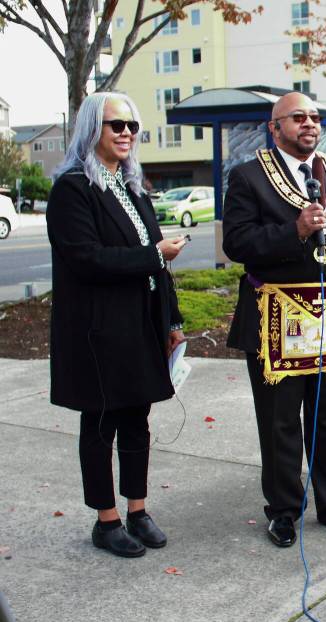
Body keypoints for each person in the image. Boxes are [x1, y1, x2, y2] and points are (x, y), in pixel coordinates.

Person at [223, 91, 326, 548]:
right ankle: (283, 510)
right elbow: (237, 244)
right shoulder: (248, 177)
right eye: (297, 117)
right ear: (274, 127)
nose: (309, 124)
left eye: (314, 117)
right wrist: (293, 231)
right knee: (279, 422)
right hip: (276, 313)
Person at [47, 92, 187, 558]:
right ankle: (106, 520)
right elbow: (86, 259)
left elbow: (157, 267)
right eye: (116, 125)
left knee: (137, 420)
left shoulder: (131, 186)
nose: (126, 133)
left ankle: (138, 510)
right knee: (102, 420)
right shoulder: (73, 188)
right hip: (99, 329)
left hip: (141, 324)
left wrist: (173, 319)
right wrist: (154, 255)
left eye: (132, 125)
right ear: (92, 130)